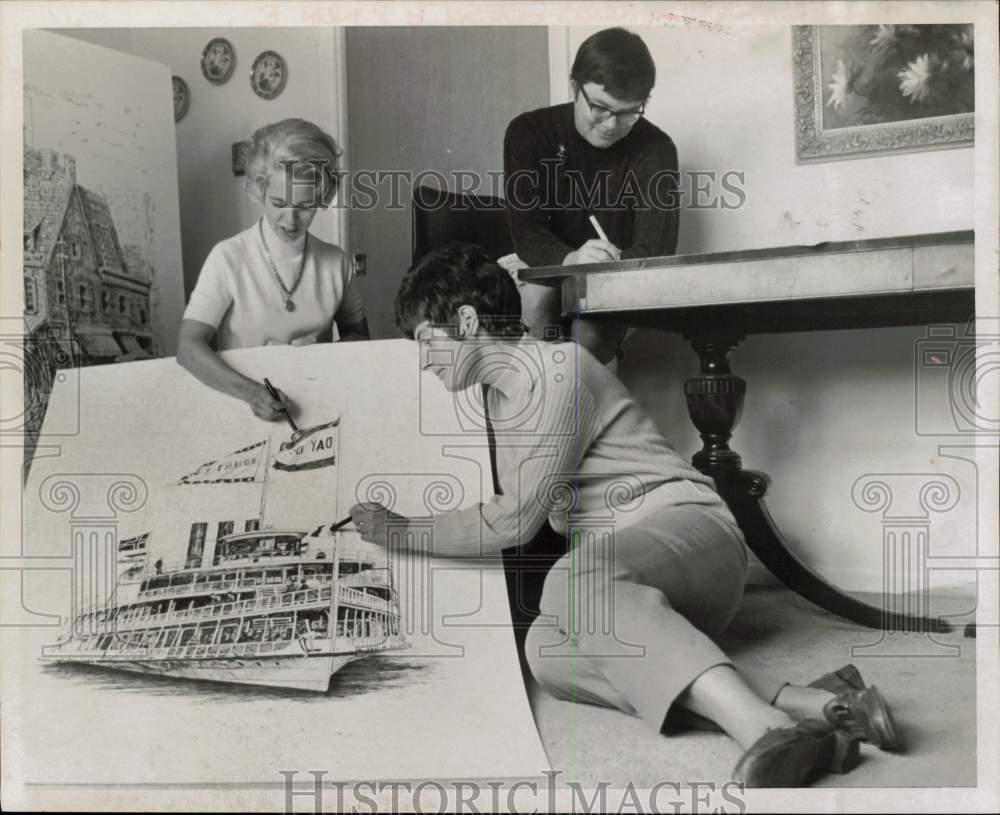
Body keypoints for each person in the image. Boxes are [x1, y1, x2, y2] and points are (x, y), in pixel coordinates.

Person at [350, 243, 902, 787]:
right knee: (548, 653)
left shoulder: (557, 371)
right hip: (630, 589)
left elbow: (514, 520)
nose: (423, 360)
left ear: (467, 321)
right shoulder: (498, 398)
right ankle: (818, 705)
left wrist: (400, 530)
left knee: (571, 580)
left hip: (693, 537)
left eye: (426, 341)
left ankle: (764, 728)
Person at [504, 27, 679, 366]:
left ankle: (577, 410)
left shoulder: (656, 149)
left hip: (613, 279)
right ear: (574, 87)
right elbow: (527, 233)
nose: (612, 124)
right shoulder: (528, 132)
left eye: (629, 111)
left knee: (593, 334)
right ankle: (541, 409)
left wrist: (599, 271)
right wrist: (572, 260)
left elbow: (654, 252)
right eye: (600, 107)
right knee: (538, 304)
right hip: (541, 267)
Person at [177, 118, 368, 421]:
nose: (290, 220)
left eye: (305, 207)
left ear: (321, 199)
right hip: (242, 409)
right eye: (279, 202)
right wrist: (252, 393)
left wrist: (324, 356)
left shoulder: (336, 262)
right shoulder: (228, 257)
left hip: (317, 405)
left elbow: (359, 337)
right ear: (259, 190)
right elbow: (188, 348)